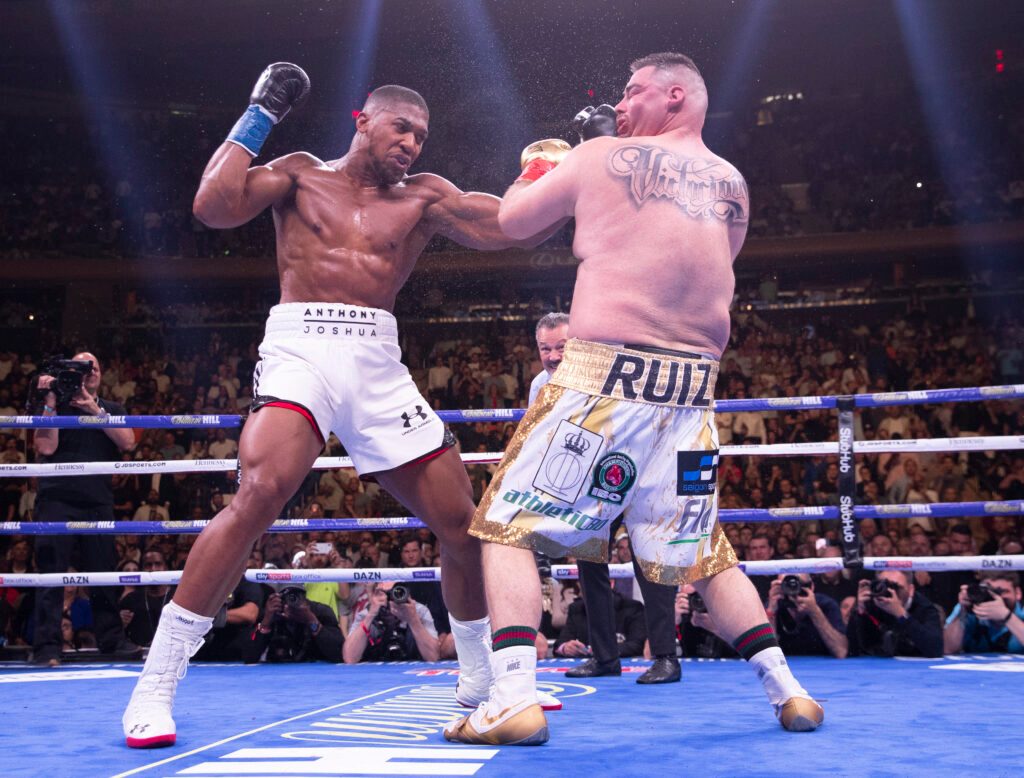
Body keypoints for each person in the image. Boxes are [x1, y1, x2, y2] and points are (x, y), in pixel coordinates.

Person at [123, 64, 557, 748]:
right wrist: (262, 110)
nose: (412, 143)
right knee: (261, 492)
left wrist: (547, 176)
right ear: (363, 120)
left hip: (378, 361)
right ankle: (157, 683)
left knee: (462, 524)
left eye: (422, 135)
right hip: (302, 349)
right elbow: (213, 205)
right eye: (401, 127)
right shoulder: (300, 174)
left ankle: (478, 682)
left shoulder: (425, 198)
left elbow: (511, 228)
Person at [446, 53, 822, 746]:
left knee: (503, 528)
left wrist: (546, 165)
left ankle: (514, 700)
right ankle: (789, 692)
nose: (621, 102)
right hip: (692, 396)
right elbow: (701, 263)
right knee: (703, 551)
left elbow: (511, 223)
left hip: (605, 380)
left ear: (676, 95)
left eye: (634, 90)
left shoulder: (599, 157)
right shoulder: (733, 184)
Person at [532, 312, 682, 684]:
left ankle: (666, 657)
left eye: (561, 347)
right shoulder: (541, 386)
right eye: (545, 349)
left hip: (638, 471)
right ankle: (604, 657)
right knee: (588, 562)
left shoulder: (612, 372)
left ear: (579, 346)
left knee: (649, 559)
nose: (553, 356)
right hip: (587, 482)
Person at [32, 351, 140, 666]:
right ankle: (47, 647)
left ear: (101, 373)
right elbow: (45, 446)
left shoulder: (111, 408)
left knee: (103, 572)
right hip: (56, 498)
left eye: (93, 366)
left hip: (97, 500)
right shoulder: (55, 407)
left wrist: (93, 408)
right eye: (81, 367)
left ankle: (111, 640)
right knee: (50, 573)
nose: (89, 371)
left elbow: (128, 442)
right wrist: (50, 400)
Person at [846, 570, 943, 657]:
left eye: (897, 587)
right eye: (886, 586)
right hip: (876, 668)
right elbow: (851, 651)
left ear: (911, 590)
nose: (892, 593)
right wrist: (860, 613)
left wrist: (901, 614)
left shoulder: (924, 608)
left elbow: (936, 650)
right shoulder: (871, 603)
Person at [242, 585, 343, 663]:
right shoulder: (271, 612)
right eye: (286, 597)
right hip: (277, 671)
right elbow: (248, 657)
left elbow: (339, 653)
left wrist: (312, 621)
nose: (291, 601)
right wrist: (265, 623)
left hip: (313, 671)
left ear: (305, 597)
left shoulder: (320, 612)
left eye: (296, 596)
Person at [342, 582, 439, 663]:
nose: (390, 598)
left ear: (407, 594)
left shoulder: (418, 611)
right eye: (384, 593)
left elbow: (433, 657)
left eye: (396, 592)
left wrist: (413, 620)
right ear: (374, 596)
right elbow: (349, 658)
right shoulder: (367, 614)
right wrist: (370, 616)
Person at [766, 574, 848, 659]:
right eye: (787, 584)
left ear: (811, 586)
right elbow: (766, 655)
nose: (792, 588)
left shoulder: (826, 605)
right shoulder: (773, 604)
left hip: (822, 667)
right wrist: (771, 612)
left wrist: (815, 611)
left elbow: (841, 652)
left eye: (798, 584)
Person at [943, 571, 1024, 654]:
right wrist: (963, 611)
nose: (996, 598)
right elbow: (948, 649)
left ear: (1018, 593)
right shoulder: (969, 607)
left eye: (1002, 591)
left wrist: (1006, 616)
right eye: (991, 591)